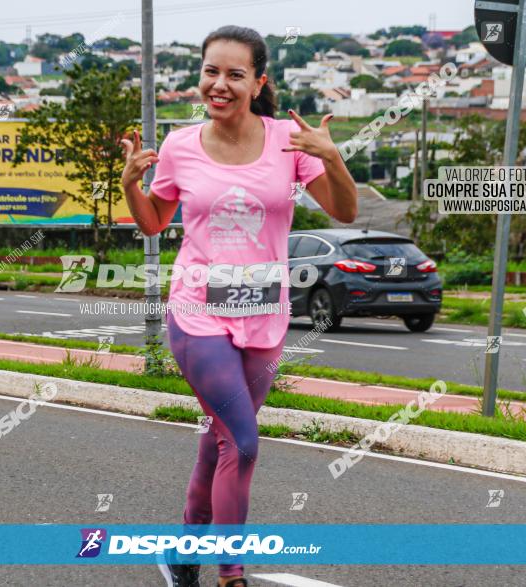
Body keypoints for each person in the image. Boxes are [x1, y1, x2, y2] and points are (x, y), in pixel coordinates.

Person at [121, 26, 358, 587]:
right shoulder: (180, 145)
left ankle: (182, 550)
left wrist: (334, 158)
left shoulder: (287, 141)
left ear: (258, 83)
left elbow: (344, 212)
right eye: (211, 72)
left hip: (264, 315)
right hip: (197, 311)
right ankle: (231, 574)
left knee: (220, 440)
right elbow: (154, 222)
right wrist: (132, 184)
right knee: (244, 443)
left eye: (234, 74)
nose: (219, 84)